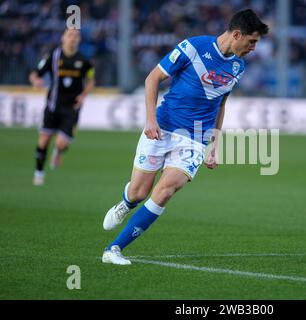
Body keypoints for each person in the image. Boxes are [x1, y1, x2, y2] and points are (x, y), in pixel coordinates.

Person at [101, 9, 269, 265]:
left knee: (166, 190)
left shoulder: (238, 65)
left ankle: (114, 249)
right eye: (252, 41)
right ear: (237, 34)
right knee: (139, 192)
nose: (254, 48)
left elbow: (221, 104)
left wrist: (215, 143)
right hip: (164, 126)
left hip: (195, 139)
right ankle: (127, 202)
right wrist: (150, 119)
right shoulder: (192, 47)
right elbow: (152, 78)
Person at [30, 28, 95, 185]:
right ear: (63, 38)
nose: (73, 38)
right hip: (53, 106)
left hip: (72, 108)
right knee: (43, 140)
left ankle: (58, 151)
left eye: (76, 36)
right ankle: (39, 173)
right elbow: (34, 74)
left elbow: (91, 80)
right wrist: (35, 81)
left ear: (79, 40)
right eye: (70, 35)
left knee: (61, 143)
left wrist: (83, 95)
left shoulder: (85, 61)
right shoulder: (53, 56)